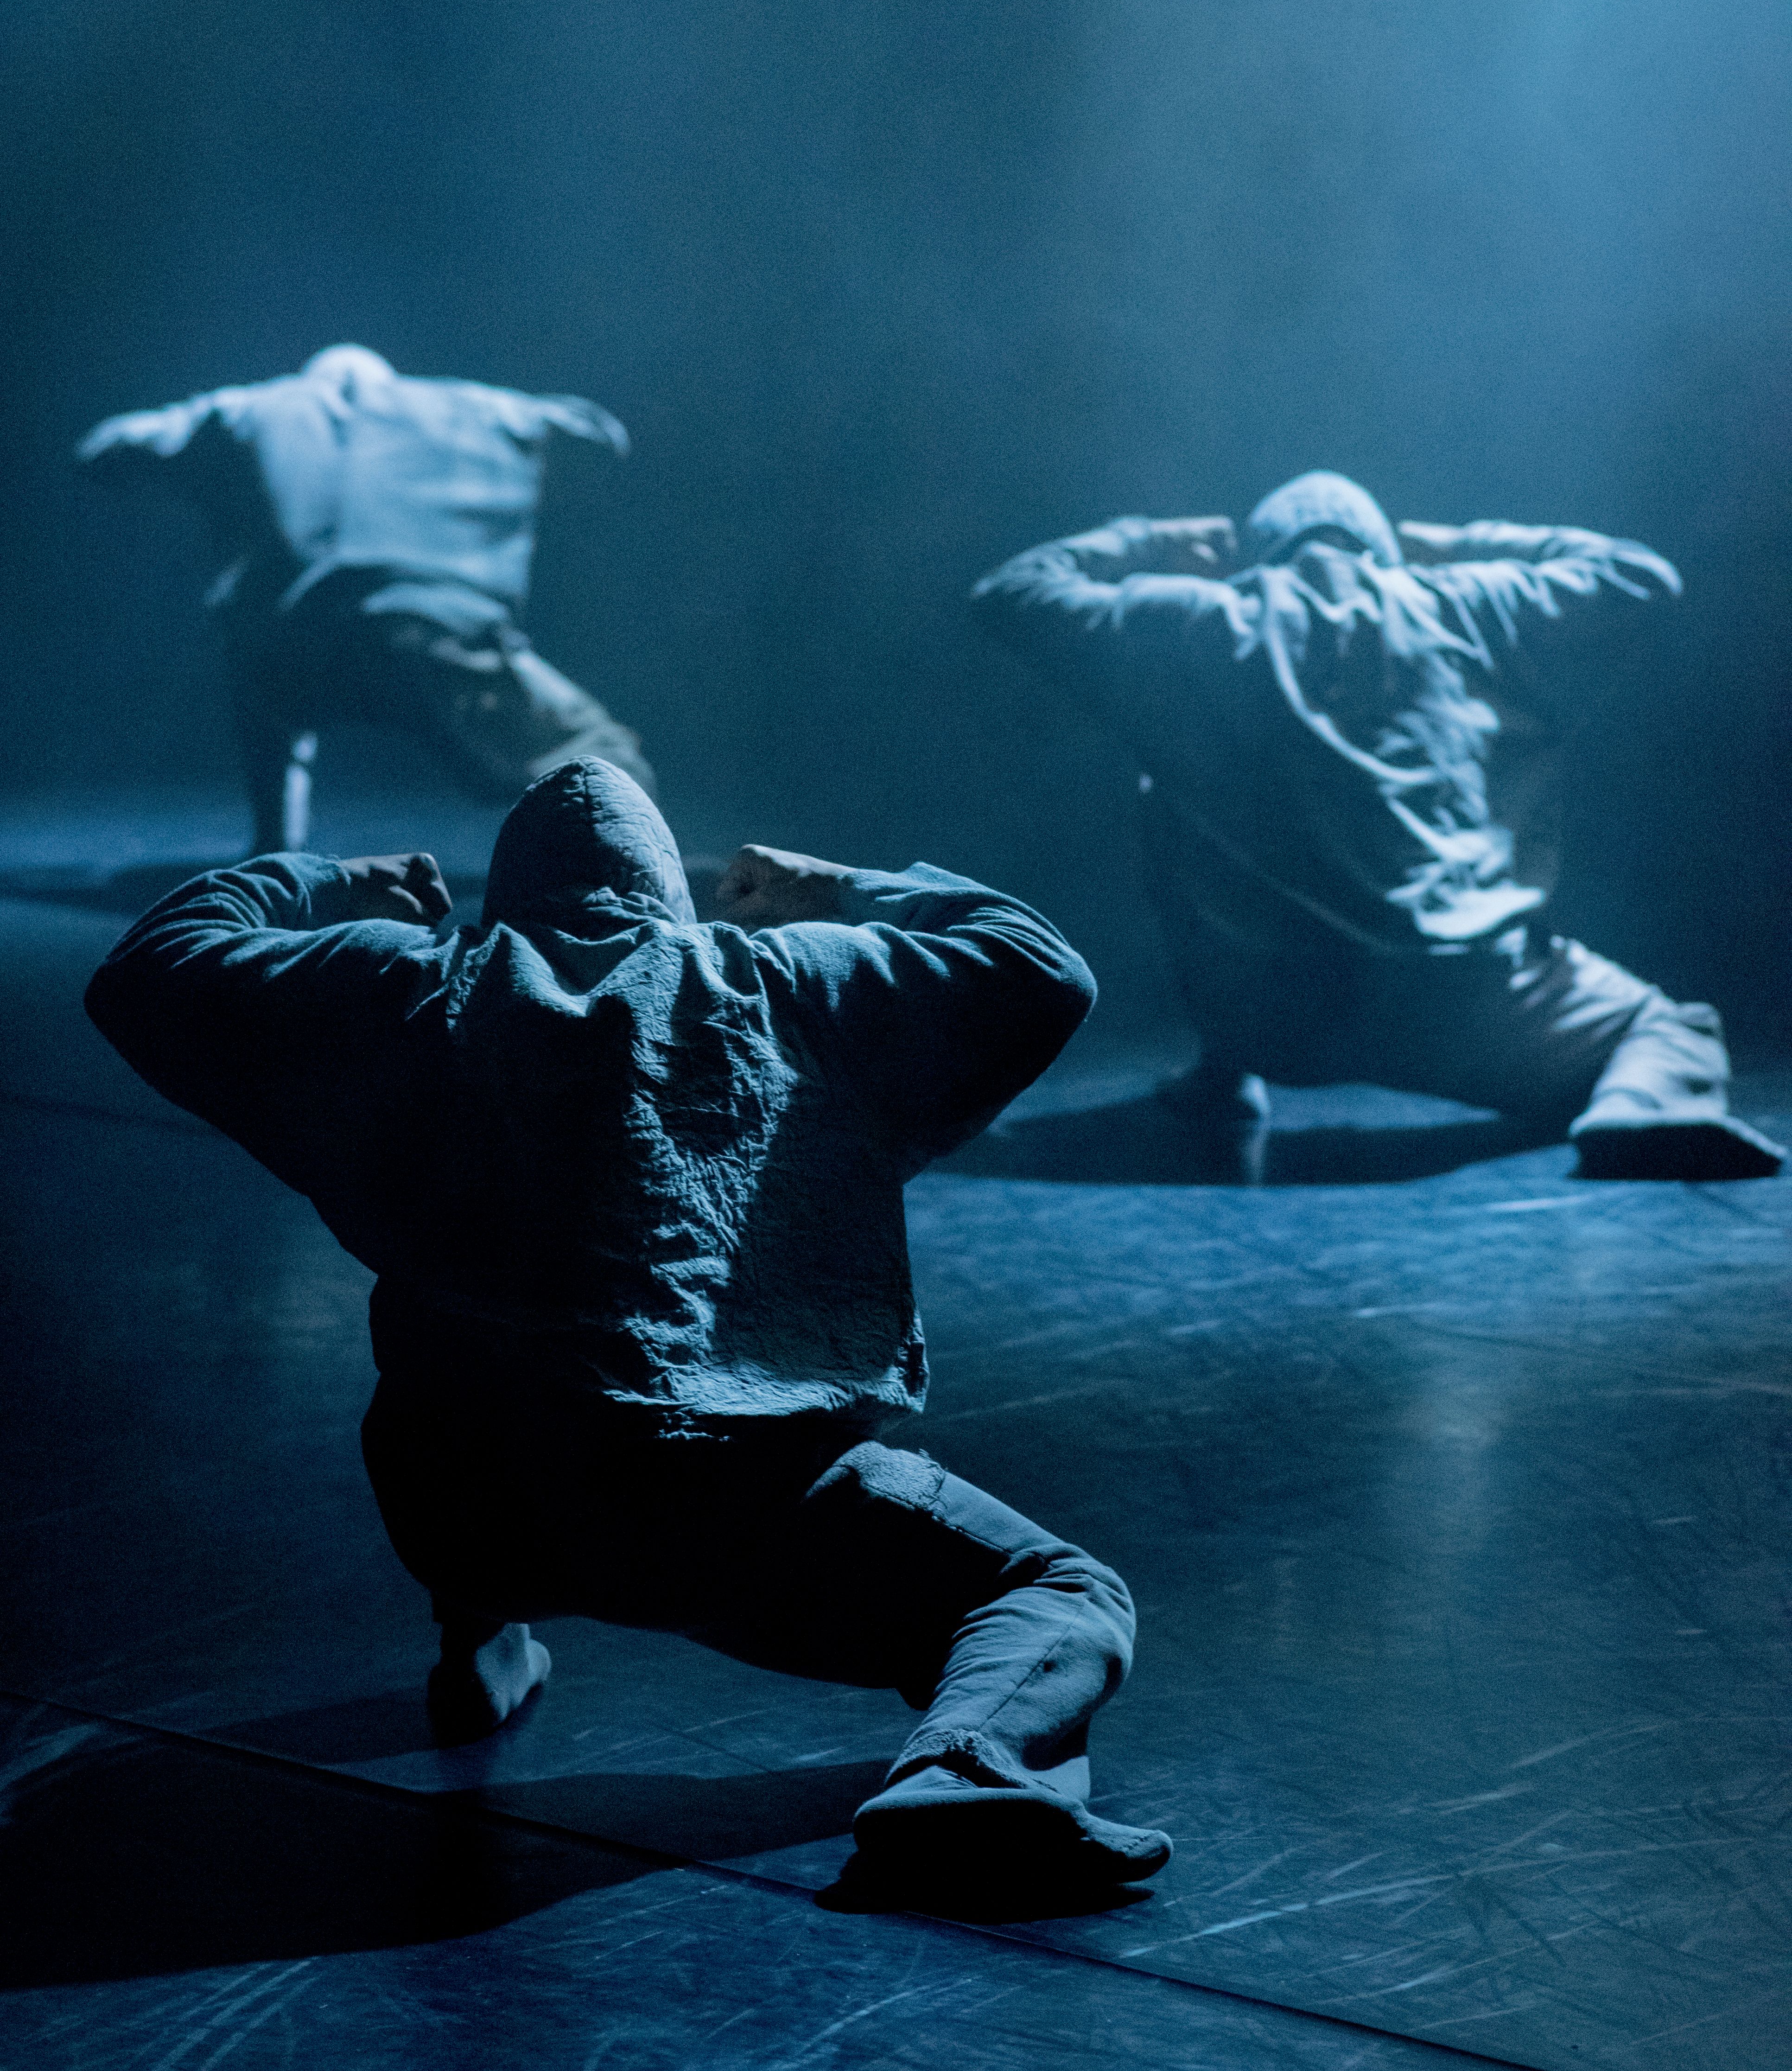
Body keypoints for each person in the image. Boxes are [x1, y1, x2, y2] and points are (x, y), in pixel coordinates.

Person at [83, 757, 1172, 1902]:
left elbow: (148, 967)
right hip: (720, 1512)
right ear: (668, 892)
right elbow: (1038, 964)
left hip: (457, 1507)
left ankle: (479, 1642)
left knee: (489, 1348)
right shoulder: (781, 980)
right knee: (1055, 1593)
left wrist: (329, 879)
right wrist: (837, 888)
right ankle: (973, 1774)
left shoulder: (405, 986)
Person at [973, 472, 1782, 1181]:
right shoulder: (1469, 600)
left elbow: (1010, 590)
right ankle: (1641, 1110)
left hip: (1266, 1014)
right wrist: (1458, 544)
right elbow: (1641, 575)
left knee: (1168, 778)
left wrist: (1149, 540)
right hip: (1460, 1011)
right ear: (1380, 549)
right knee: (1666, 1028)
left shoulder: (1193, 620)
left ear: (1257, 554)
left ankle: (1225, 1073)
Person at [76, 345, 655, 852]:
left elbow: (106, 446)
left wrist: (210, 467)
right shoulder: (469, 406)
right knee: (600, 755)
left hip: (293, 650)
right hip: (428, 634)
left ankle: (275, 845)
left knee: (264, 672)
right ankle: (623, 877)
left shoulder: (245, 409)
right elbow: (600, 434)